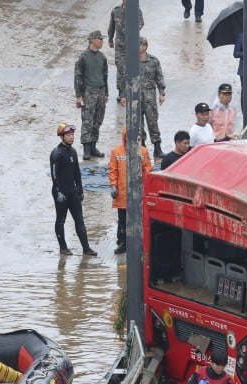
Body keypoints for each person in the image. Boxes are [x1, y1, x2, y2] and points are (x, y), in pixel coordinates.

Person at [50, 123, 97, 256]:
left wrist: (80, 189)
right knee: (61, 219)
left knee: (79, 219)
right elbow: (54, 175)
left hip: (73, 191)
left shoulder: (73, 152)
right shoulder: (56, 154)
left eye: (72, 135)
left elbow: (77, 172)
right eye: (68, 135)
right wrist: (58, 191)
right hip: (61, 192)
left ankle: (86, 248)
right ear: (62, 137)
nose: (71, 137)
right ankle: (63, 247)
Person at [108, 128, 152, 255]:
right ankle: (122, 243)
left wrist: (146, 190)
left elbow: (147, 171)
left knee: (138, 219)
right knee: (122, 221)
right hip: (122, 193)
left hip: (138, 194)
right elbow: (113, 171)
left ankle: (138, 243)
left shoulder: (143, 151)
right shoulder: (116, 152)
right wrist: (113, 186)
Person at [75, 30, 109, 161]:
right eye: (100, 39)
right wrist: (79, 95)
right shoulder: (83, 57)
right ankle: (86, 149)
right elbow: (78, 76)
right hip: (88, 91)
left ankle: (93, 146)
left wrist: (106, 93)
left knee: (98, 120)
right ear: (92, 40)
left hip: (100, 91)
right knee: (87, 120)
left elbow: (105, 76)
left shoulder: (102, 57)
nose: (102, 41)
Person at [132, 36, 166, 158]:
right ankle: (142, 148)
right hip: (136, 98)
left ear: (145, 46)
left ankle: (157, 147)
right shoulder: (132, 60)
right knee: (138, 125)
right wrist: (123, 95)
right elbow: (126, 78)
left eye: (140, 45)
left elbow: (159, 77)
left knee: (153, 123)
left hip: (149, 98)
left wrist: (162, 93)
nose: (138, 47)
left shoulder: (154, 61)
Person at [107, 0, 144, 101]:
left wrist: (132, 30)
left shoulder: (136, 10)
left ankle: (132, 90)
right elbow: (111, 27)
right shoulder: (116, 11)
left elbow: (141, 23)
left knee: (132, 67)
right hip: (120, 46)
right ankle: (121, 92)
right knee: (120, 68)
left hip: (132, 44)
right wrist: (110, 39)